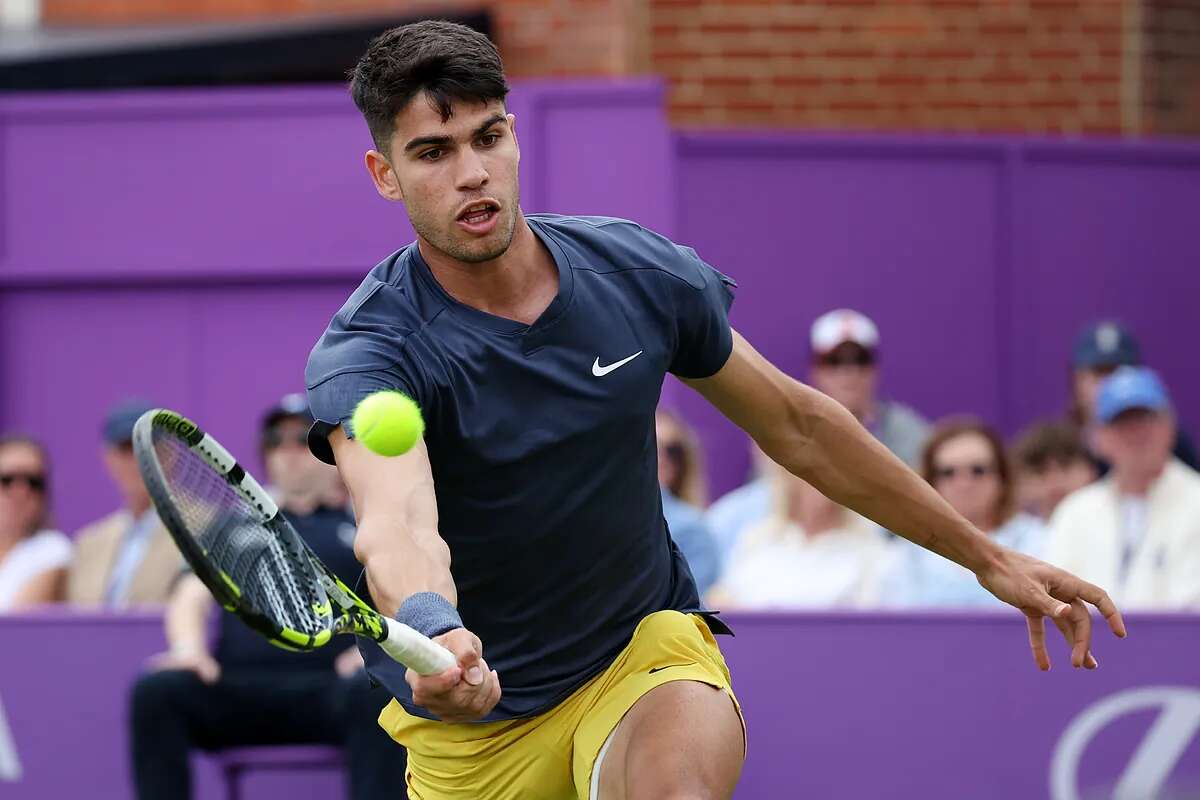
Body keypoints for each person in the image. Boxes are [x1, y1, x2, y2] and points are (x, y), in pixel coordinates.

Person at [304, 21, 1124, 799]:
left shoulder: (637, 277)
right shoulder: (373, 350)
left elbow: (798, 425)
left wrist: (984, 556)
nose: (472, 173)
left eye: (487, 138)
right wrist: (434, 628)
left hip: (639, 654)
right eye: (432, 153)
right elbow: (396, 522)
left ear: (514, 135)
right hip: (476, 728)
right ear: (385, 174)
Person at [128, 395, 408, 800]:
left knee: (379, 693)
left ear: (333, 453)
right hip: (237, 689)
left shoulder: (363, 525)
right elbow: (190, 593)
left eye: (301, 439)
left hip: (329, 689)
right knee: (157, 692)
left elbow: (397, 594)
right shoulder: (232, 526)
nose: (289, 452)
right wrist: (189, 649)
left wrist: (373, 655)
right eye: (276, 441)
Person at [708, 308, 932, 560]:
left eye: (860, 360)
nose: (849, 373)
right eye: (835, 361)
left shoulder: (911, 435)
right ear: (816, 369)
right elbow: (767, 507)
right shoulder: (784, 423)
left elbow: (923, 517)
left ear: (874, 368)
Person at [1047, 368, 1200, 609]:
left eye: (1145, 419)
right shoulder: (1075, 511)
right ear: (1098, 437)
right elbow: (1055, 600)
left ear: (1170, 426)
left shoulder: (1195, 501)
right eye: (1121, 422)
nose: (1136, 433)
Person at [883, 419, 1046, 608]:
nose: (964, 483)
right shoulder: (906, 551)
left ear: (1002, 479)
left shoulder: (1037, 541)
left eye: (978, 470)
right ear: (929, 482)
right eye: (948, 472)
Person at [709, 463, 893, 609]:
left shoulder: (870, 550)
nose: (818, 481)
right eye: (808, 469)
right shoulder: (757, 539)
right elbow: (724, 604)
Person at [67, 400, 179, 608]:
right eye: (127, 448)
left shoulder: (204, 531)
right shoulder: (88, 543)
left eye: (146, 445)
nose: (138, 457)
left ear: (169, 454)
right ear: (109, 459)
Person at [1069, 320, 1198, 471]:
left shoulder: (1168, 441)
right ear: (1078, 379)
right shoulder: (1062, 443)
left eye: (1117, 371)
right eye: (1099, 372)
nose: (1109, 382)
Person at [0, 435, 71, 611]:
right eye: (7, 480)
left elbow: (13, 622)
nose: (20, 492)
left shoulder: (53, 549)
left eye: (33, 482)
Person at [655, 409, 719, 596]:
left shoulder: (691, 527)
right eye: (651, 445)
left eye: (672, 450)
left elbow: (690, 601)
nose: (662, 458)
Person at [1011, 421, 1098, 522]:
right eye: (1040, 471)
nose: (1055, 480)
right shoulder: (1001, 535)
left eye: (1065, 466)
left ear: (1091, 471)